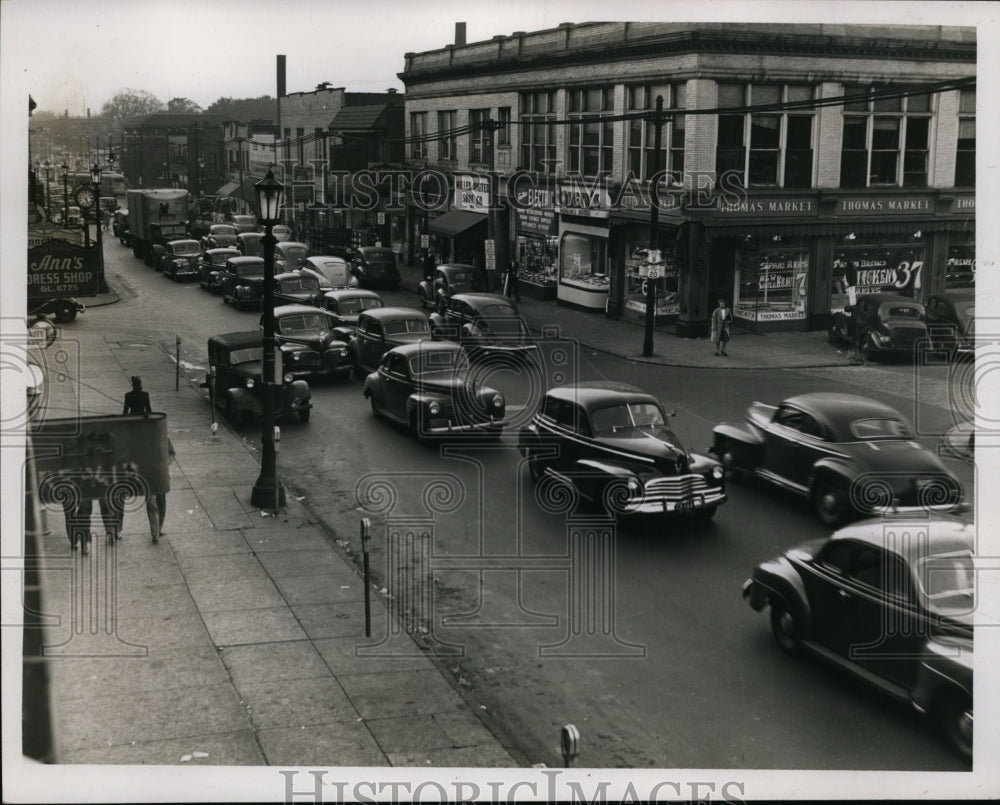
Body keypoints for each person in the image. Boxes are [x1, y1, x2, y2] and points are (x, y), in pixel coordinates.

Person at [146, 438, 175, 544]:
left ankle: (159, 527)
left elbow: (172, 453)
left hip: (161, 476)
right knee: (151, 503)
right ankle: (155, 533)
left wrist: (165, 463)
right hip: (148, 477)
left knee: (161, 503)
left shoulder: (164, 438)